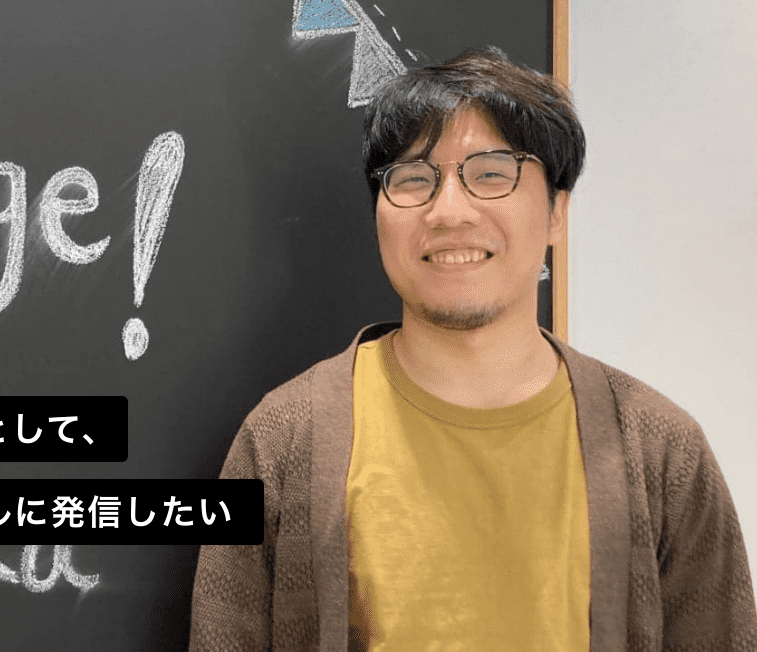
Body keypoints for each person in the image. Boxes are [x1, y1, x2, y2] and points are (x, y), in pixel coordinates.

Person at [189, 46, 757, 651]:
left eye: (490, 174)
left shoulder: (662, 450)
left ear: (557, 212)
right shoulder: (281, 440)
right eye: (413, 179)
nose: (449, 211)